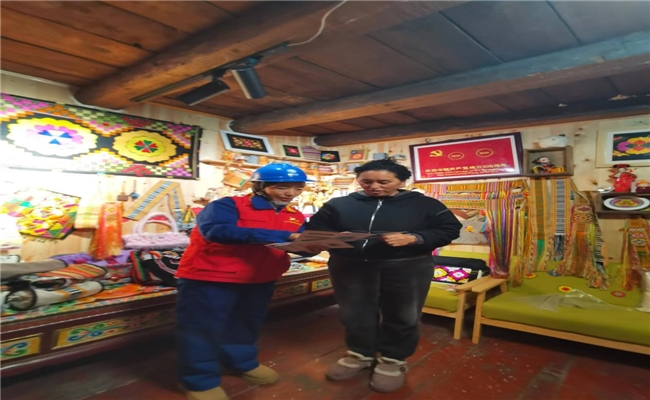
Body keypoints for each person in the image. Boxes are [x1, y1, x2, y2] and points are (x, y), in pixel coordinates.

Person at [305, 158, 462, 393]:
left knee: (403, 315)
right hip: (349, 267)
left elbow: (449, 229)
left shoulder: (425, 204)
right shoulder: (339, 204)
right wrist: (333, 237)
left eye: (383, 182)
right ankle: (359, 354)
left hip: (407, 267)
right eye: (366, 181)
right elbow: (315, 228)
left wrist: (414, 238)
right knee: (354, 313)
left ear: (401, 181)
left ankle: (392, 359)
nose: (374, 186)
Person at [175, 163, 311, 400]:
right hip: (211, 277)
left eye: (298, 188)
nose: (291, 193)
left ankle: (242, 362)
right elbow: (217, 232)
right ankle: (199, 380)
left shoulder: (294, 215)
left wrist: (317, 244)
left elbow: (299, 244)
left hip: (261, 278)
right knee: (202, 329)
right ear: (260, 186)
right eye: (282, 187)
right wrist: (287, 236)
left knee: (246, 323)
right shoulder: (227, 205)